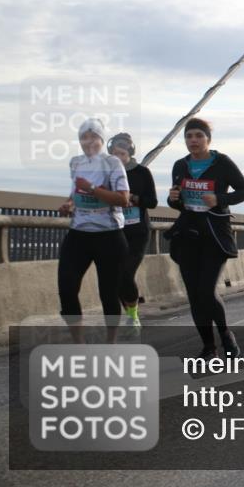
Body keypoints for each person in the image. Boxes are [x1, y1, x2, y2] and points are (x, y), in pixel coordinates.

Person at [166, 118, 244, 359]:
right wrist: (173, 198)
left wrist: (219, 199)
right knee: (193, 294)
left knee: (206, 291)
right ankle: (208, 347)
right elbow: (177, 203)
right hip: (188, 234)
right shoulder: (180, 165)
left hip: (215, 235)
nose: (193, 140)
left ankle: (225, 335)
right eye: (189, 136)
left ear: (208, 139)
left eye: (198, 136)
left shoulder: (222, 163)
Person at [57, 118, 130, 343]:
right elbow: (75, 192)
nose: (88, 142)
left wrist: (91, 188)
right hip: (79, 234)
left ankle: (111, 343)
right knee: (66, 289)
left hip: (108, 236)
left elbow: (123, 199)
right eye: (83, 137)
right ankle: (78, 344)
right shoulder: (76, 162)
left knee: (108, 294)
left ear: (101, 139)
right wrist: (69, 204)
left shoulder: (113, 163)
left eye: (93, 137)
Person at [107, 132, 156, 335]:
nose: (118, 157)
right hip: (114, 231)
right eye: (114, 154)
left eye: (122, 153)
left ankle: (133, 317)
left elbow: (152, 202)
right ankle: (129, 315)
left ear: (130, 153)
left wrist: (133, 198)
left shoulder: (142, 172)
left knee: (127, 272)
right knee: (117, 277)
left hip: (137, 231)